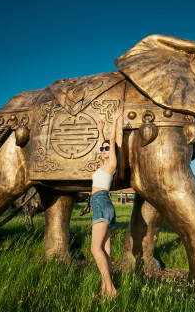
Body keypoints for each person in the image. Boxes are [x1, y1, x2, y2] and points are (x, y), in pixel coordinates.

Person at [90, 106, 123, 298]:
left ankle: (110, 289)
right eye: (102, 149)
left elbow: (111, 141)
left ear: (112, 151)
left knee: (95, 248)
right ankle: (104, 288)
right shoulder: (104, 163)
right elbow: (104, 142)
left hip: (101, 202)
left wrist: (115, 120)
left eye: (107, 149)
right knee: (105, 249)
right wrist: (99, 130)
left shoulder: (112, 163)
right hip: (103, 203)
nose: (103, 150)